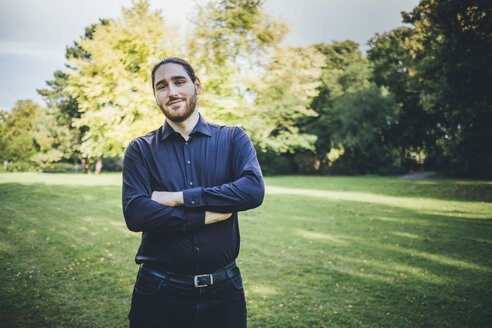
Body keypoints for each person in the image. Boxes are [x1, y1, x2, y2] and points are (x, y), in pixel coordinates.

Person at [122, 57, 265, 328]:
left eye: (179, 82)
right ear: (155, 96)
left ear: (197, 86)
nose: (171, 91)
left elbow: (252, 190)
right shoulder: (140, 150)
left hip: (224, 293)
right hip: (159, 293)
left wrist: (179, 198)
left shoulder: (233, 139)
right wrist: (204, 216)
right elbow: (137, 213)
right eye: (161, 86)